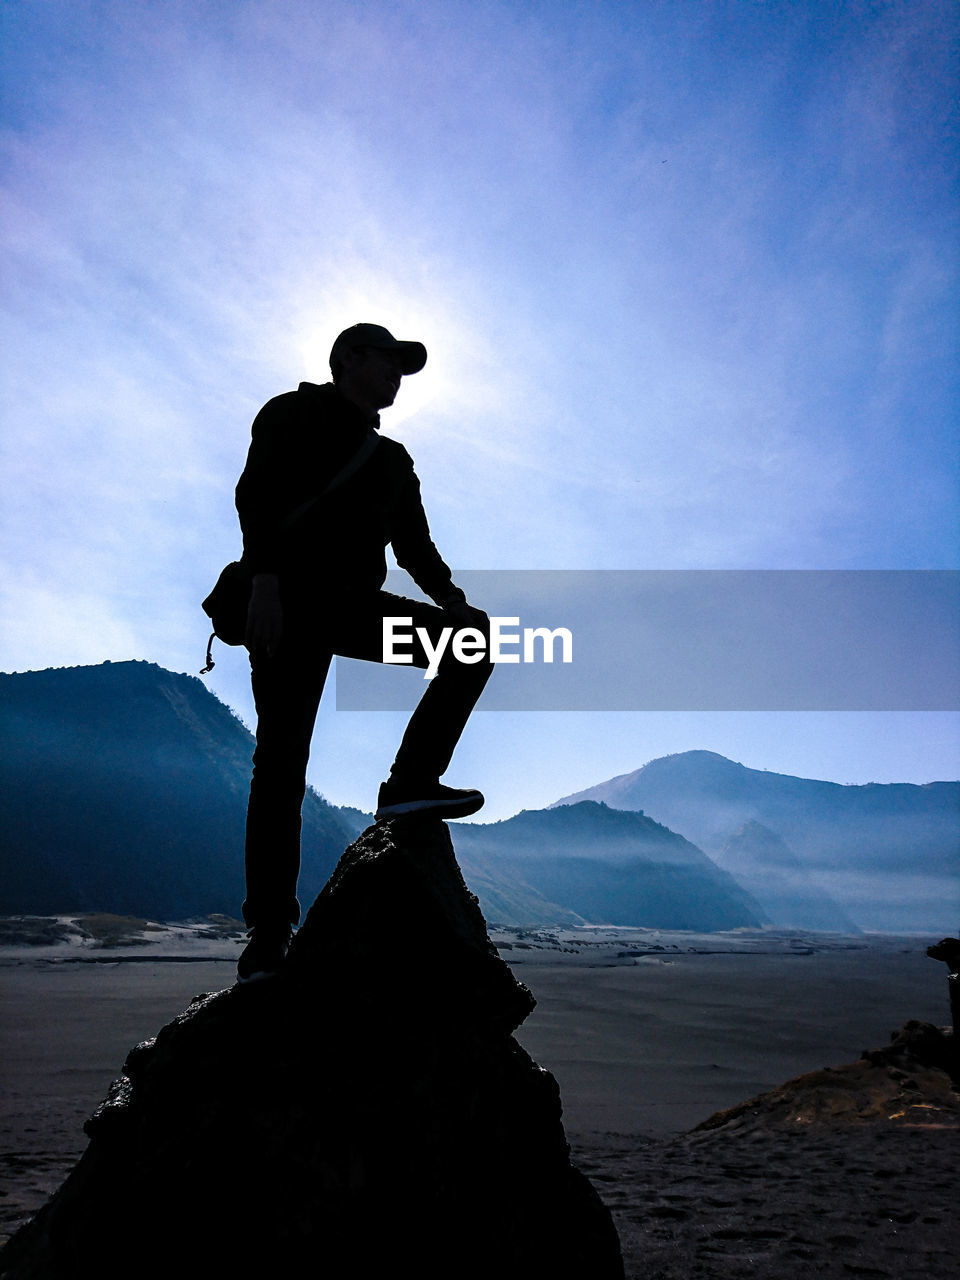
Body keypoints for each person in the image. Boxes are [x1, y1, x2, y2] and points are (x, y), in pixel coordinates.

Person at [234, 323, 493, 982]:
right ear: (350, 359)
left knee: (473, 642)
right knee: (282, 764)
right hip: (287, 606)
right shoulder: (293, 413)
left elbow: (414, 547)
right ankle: (268, 933)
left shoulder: (392, 460)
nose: (397, 376)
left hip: (352, 610)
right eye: (388, 362)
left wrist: (454, 602)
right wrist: (263, 582)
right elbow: (256, 496)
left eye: (405, 368)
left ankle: (409, 783)